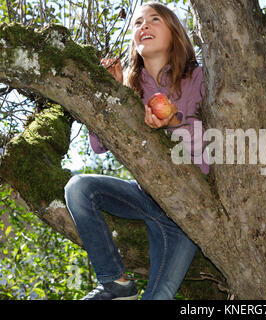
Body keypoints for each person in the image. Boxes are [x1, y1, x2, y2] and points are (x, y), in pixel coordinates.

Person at [64, 2, 208, 300]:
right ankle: (115, 283)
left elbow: (213, 139)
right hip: (144, 196)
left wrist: (174, 122)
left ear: (174, 32)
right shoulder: (130, 86)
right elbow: (98, 145)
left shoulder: (198, 78)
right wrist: (111, 94)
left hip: (187, 208)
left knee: (158, 296)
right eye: (138, 23)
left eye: (154, 19)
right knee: (79, 187)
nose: (144, 25)